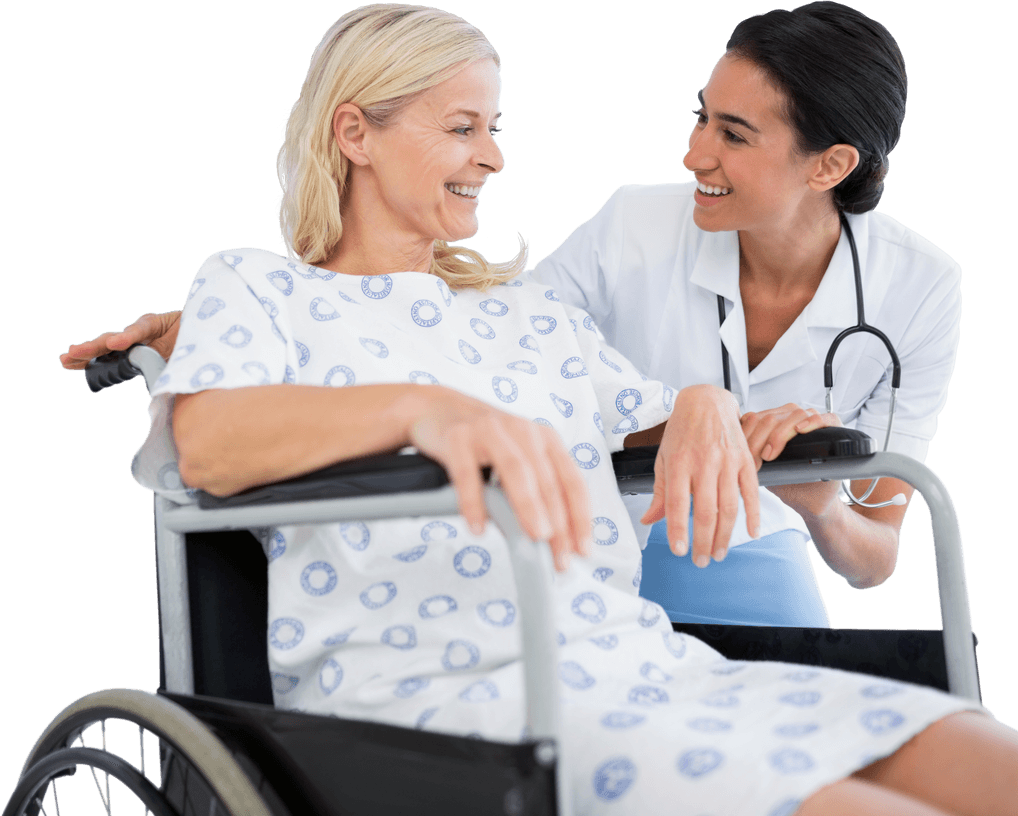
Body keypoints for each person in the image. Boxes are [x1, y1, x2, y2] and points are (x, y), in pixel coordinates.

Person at [85, 5, 1018, 814]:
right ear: (356, 133)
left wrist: (701, 402)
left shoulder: (524, 318)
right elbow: (206, 444)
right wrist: (419, 409)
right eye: (463, 126)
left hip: (647, 669)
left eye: (496, 128)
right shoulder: (257, 288)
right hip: (453, 703)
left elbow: (651, 418)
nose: (495, 156)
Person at [60, 2, 958, 630]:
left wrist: (788, 478)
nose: (693, 153)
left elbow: (873, 553)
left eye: (734, 133)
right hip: (580, 572)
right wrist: (217, 329)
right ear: (353, 132)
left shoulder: (920, 291)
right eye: (701, 118)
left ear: (828, 165)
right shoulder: (628, 229)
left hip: (716, 549)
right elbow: (419, 329)